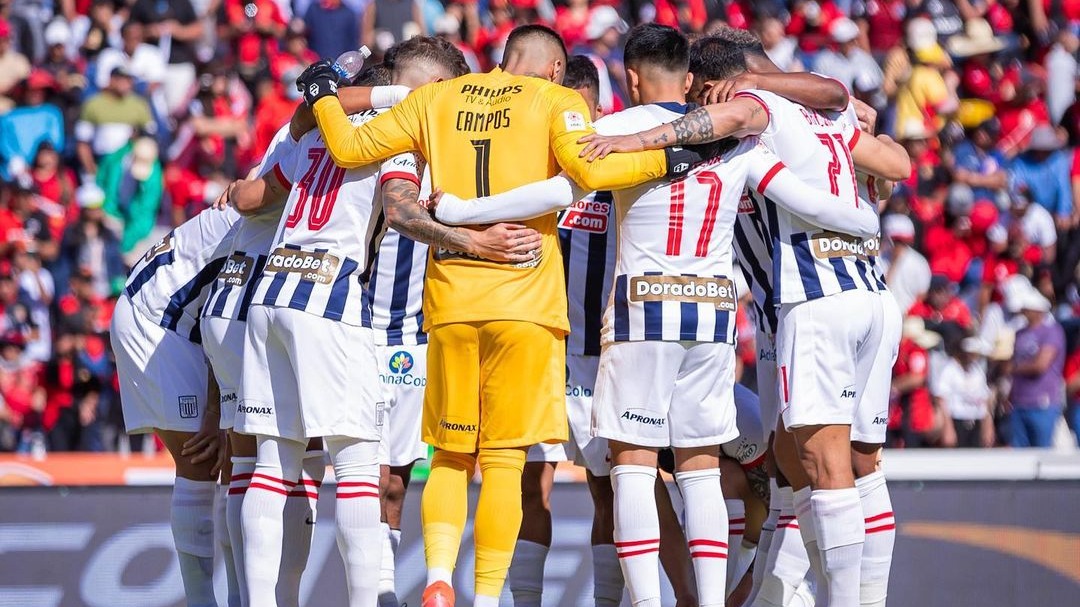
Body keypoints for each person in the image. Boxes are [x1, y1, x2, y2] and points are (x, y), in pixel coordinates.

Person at [431, 26, 886, 607]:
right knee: (698, 467)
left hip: (642, 311)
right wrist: (866, 224)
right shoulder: (741, 143)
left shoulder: (611, 130)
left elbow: (552, 194)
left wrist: (467, 211)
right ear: (691, 78)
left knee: (633, 468)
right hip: (714, 321)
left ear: (631, 77)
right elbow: (810, 200)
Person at [301, 23, 700, 607]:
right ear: (556, 70)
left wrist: (322, 96)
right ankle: (485, 597)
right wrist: (667, 161)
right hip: (526, 302)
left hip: (451, 298)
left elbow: (349, 148)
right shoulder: (555, 101)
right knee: (506, 462)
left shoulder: (437, 98)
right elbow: (588, 174)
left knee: (451, 455)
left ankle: (438, 576)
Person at [576, 33, 913, 607]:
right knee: (824, 464)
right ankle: (772, 594)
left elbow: (745, 133)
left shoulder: (752, 120)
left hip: (807, 302)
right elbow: (895, 157)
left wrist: (635, 137)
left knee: (813, 463)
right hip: (867, 296)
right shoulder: (825, 118)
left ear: (708, 86)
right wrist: (863, 217)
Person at [111, 206, 239, 607]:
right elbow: (225, 322)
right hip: (158, 320)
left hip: (179, 319)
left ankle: (241, 596)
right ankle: (204, 600)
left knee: (237, 456)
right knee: (201, 456)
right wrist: (216, 414)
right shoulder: (268, 220)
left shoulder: (266, 196)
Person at [1009, 287, 1066, 447]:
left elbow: (1040, 365)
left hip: (1042, 403)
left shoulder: (1052, 332)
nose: (1024, 311)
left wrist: (1013, 368)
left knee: (1042, 451)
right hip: (1019, 402)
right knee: (1019, 456)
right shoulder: (1019, 333)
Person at [932, 336, 995, 448]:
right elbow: (941, 398)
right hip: (957, 420)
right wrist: (948, 427)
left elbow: (984, 400)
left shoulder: (977, 371)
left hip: (976, 420)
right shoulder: (950, 369)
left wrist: (988, 425)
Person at [880, 213, 931, 314]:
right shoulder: (878, 258)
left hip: (908, 316)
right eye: (897, 241)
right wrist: (894, 263)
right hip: (883, 313)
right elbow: (880, 291)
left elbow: (922, 295)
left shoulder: (919, 262)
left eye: (905, 241)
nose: (900, 245)